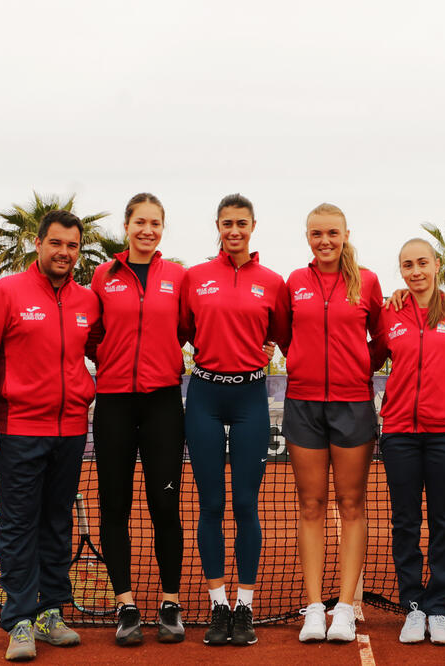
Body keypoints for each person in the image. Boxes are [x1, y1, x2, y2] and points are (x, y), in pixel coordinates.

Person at [0, 210, 100, 662]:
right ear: (38, 244)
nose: (65, 252)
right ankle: (19, 620)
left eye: (73, 246)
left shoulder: (87, 301)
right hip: (19, 431)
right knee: (19, 525)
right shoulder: (7, 291)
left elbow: (108, 349)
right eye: (57, 243)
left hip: (71, 431)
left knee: (58, 523)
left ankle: (49, 612)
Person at [370, 238, 445, 646]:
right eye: (407, 265)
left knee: (443, 521)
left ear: (437, 265)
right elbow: (364, 356)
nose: (416, 271)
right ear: (400, 270)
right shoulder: (390, 313)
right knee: (404, 522)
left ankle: (438, 607)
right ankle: (413, 606)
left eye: (422, 263)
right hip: (399, 433)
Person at [182, 193, 287, 646]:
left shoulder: (273, 281)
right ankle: (218, 605)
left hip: (250, 399)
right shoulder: (195, 278)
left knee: (245, 505)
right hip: (204, 395)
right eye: (227, 223)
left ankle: (245, 605)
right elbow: (182, 330)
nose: (234, 231)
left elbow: (282, 335)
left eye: (242, 223)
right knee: (210, 506)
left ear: (253, 226)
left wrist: (266, 351)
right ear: (218, 226)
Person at [279, 203, 384, 643]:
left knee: (353, 504)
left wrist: (359, 369)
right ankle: (314, 608)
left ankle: (344, 607)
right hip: (303, 404)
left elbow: (381, 338)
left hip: (352, 405)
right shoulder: (294, 283)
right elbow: (285, 335)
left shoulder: (369, 281)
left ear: (345, 234)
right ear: (307, 237)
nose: (325, 241)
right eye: (317, 233)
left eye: (333, 233)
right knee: (310, 505)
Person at [88, 193, 187, 645]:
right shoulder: (102, 277)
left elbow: (192, 328)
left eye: (155, 223)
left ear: (163, 228)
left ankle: (170, 602)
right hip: (113, 405)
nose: (148, 230)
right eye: (140, 222)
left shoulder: (178, 278)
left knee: (165, 505)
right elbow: (91, 335)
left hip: (164, 403)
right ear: (126, 227)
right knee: (115, 508)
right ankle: (126, 605)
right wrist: (111, 359)